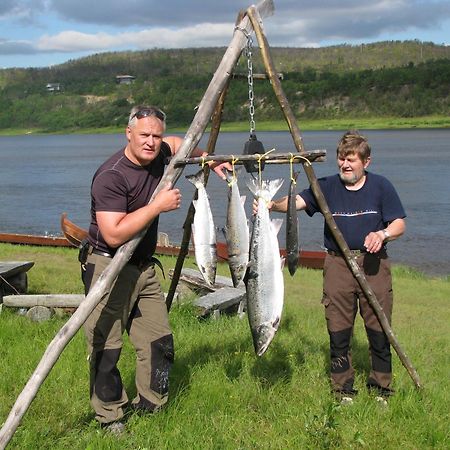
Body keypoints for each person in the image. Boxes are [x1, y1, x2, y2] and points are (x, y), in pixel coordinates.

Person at [80, 105, 227, 432]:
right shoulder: (112, 176)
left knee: (158, 341)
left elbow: (179, 143)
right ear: (128, 133)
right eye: (143, 134)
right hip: (108, 266)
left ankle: (151, 406)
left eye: (155, 135)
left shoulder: (160, 148)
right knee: (106, 345)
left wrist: (210, 159)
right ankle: (110, 416)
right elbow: (113, 233)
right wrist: (156, 206)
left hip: (144, 268)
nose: (151, 142)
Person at [268, 130, 406, 403]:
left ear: (366, 162)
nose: (345, 164)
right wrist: (270, 205)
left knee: (379, 329)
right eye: (342, 159)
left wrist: (382, 235)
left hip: (373, 264)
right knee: (338, 330)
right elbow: (298, 202)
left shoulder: (382, 186)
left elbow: (399, 223)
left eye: (351, 160)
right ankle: (343, 390)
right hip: (337, 265)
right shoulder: (327, 186)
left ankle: (381, 389)